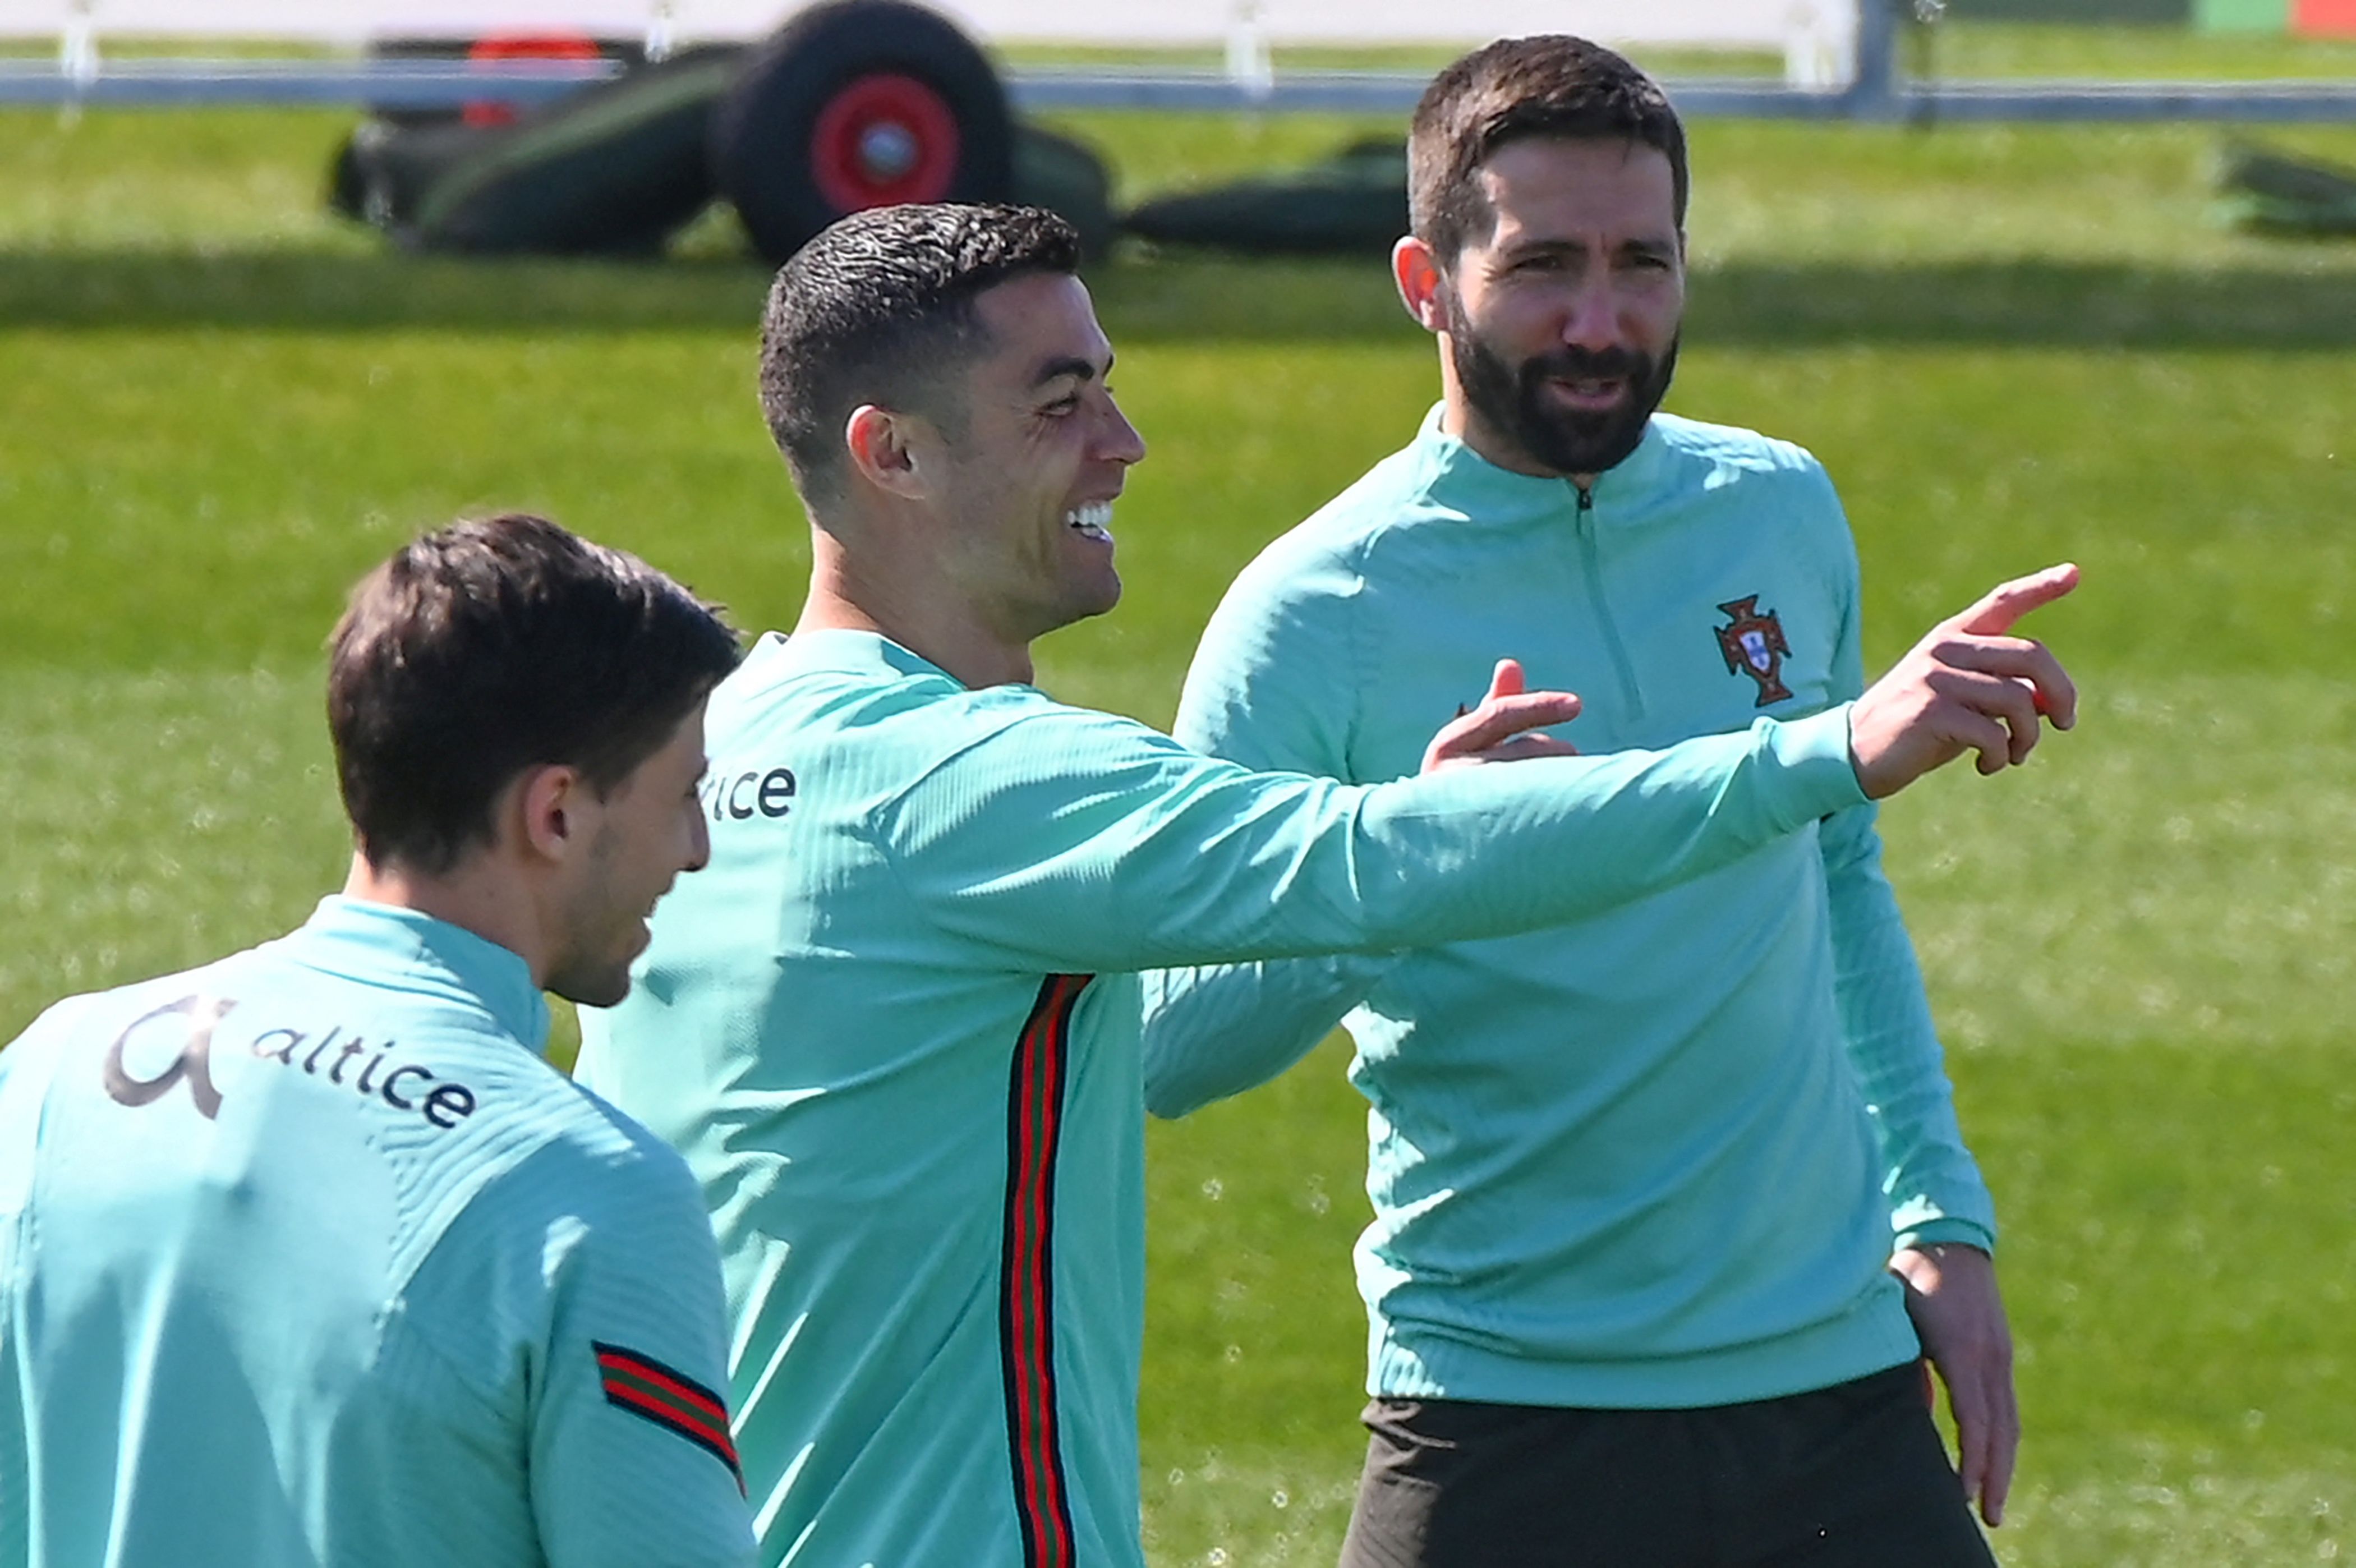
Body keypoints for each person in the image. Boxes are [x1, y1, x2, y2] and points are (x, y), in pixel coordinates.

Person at [573, 200, 2074, 1568]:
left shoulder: (703, 748)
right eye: (1062, 400)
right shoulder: (975, 782)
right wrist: (1827, 753)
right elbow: (1362, 865)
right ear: (891, 453)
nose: (1124, 441)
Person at [1139, 35, 2046, 1568]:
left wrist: (1939, 1214)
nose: (1601, 322)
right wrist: (1402, 857)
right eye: (1544, 265)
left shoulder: (1774, 506)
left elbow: (1836, 883)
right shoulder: (1318, 609)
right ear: (1424, 280)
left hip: (1830, 1382)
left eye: (1645, 263)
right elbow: (1170, 1047)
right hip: (1502, 1409)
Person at [0, 514, 756, 1568]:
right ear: (556, 814)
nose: (699, 848)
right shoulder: (586, 1197)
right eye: (684, 795)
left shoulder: (48, 1073)